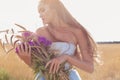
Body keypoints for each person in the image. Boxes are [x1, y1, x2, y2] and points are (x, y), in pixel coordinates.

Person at [17, 0, 97, 80]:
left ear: (55, 9)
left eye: (43, 10)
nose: (40, 15)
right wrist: (26, 59)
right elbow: (38, 67)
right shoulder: (40, 32)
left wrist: (66, 57)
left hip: (69, 77)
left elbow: (90, 68)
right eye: (39, 12)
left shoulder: (77, 32)